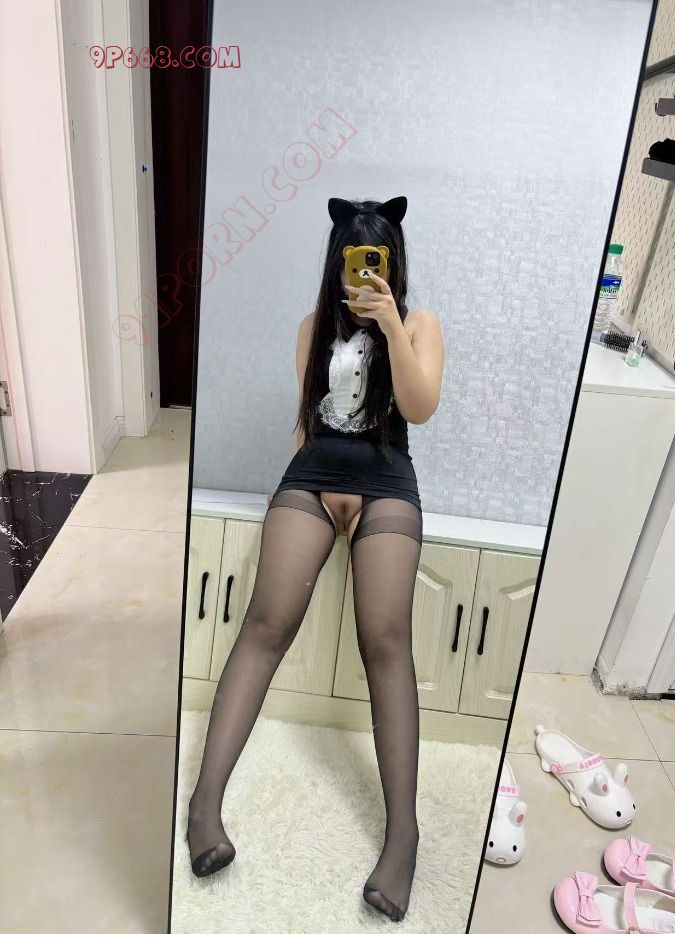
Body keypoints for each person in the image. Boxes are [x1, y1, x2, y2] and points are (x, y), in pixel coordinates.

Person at [186, 195, 445, 922]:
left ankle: (403, 839)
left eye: (376, 259)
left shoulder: (419, 325)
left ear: (393, 263)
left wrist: (389, 323)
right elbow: (308, 422)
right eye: (351, 261)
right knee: (265, 624)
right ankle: (204, 805)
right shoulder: (312, 327)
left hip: (387, 476)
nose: (362, 272)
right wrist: (303, 492)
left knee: (386, 641)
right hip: (314, 472)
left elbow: (419, 408)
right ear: (336, 264)